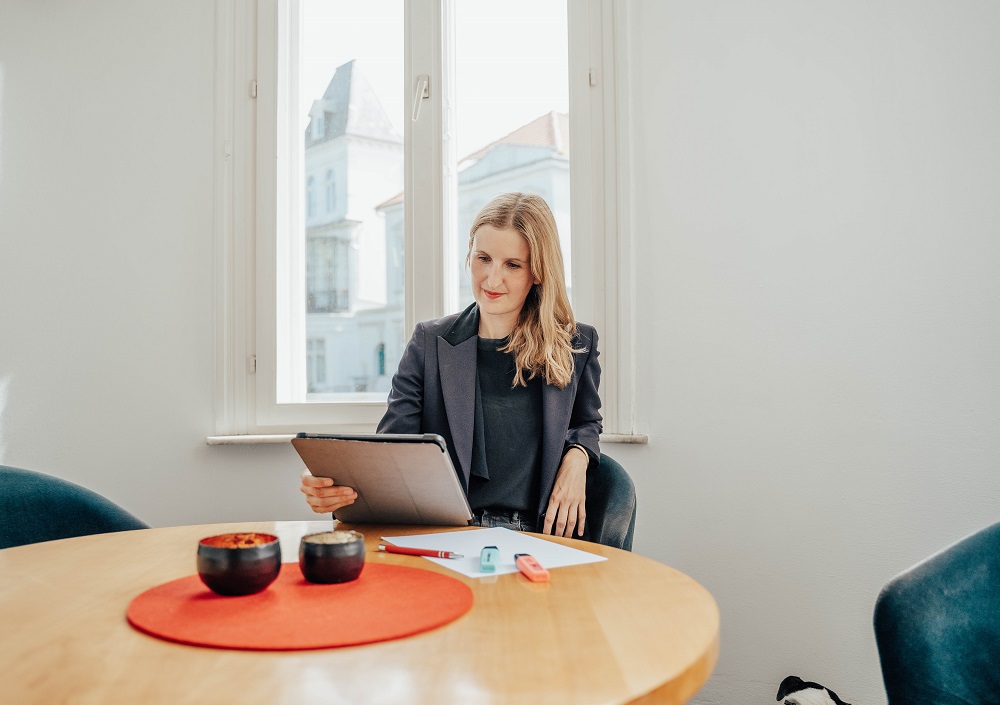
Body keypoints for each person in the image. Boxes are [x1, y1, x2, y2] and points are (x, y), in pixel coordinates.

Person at [299, 192, 602, 537]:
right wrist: (332, 484)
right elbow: (392, 451)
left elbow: (586, 421)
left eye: (513, 265)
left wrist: (578, 456)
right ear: (469, 255)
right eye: (483, 258)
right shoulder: (428, 343)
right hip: (446, 532)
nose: (492, 280)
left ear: (538, 271)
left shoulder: (577, 344)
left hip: (539, 536)